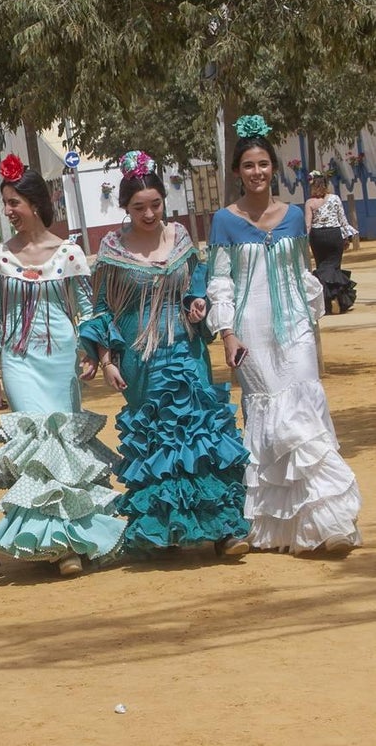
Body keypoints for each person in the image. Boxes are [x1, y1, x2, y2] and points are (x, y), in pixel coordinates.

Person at [81, 151, 251, 558]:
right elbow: (102, 308)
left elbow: (196, 285)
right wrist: (106, 361)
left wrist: (196, 304)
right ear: (125, 207)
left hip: (185, 349)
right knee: (157, 439)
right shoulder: (112, 248)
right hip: (139, 356)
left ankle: (223, 529)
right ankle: (164, 531)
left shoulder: (181, 238)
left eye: (155, 204)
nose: (149, 213)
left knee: (199, 432)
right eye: (139, 207)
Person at [206, 115, 361, 555]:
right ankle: (277, 526)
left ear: (274, 168)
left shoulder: (294, 217)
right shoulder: (224, 221)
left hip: (295, 327)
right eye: (248, 165)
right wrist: (227, 334)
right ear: (237, 172)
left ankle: (329, 523)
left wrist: (312, 324)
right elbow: (220, 281)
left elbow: (301, 275)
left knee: (305, 415)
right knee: (271, 420)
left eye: (263, 164)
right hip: (250, 331)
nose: (257, 172)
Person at [0, 154, 125, 576]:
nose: (8, 211)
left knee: (63, 442)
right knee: (37, 442)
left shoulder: (70, 253)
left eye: (14, 203)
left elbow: (87, 311)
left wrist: (95, 354)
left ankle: (72, 536)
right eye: (5, 203)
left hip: (61, 358)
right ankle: (55, 545)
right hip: (17, 360)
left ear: (36, 203)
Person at [304, 171, 357, 314]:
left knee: (322, 266)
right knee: (334, 267)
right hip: (334, 234)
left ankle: (327, 301)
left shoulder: (310, 203)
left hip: (317, 237)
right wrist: (347, 238)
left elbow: (308, 225)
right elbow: (342, 219)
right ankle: (335, 297)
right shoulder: (334, 198)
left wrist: (305, 242)